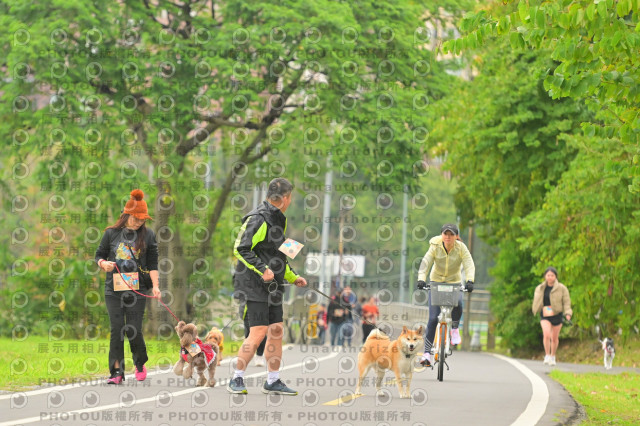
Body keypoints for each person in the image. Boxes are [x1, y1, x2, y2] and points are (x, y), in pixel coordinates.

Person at [227, 178, 307, 395]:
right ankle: (236, 378)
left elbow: (278, 255)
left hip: (274, 285)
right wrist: (262, 269)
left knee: (276, 330)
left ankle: (273, 380)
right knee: (258, 331)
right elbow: (240, 248)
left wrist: (293, 277)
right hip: (254, 284)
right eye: (291, 197)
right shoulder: (258, 218)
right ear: (286, 198)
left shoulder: (279, 219)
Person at [95, 189, 161, 384]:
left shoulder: (148, 235)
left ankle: (139, 362)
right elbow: (99, 255)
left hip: (137, 290)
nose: (138, 222)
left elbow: (153, 264)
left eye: (142, 219)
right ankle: (116, 372)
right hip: (113, 290)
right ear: (126, 214)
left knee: (133, 329)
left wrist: (156, 286)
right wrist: (103, 264)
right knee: (117, 329)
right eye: (135, 218)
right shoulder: (111, 233)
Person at [416, 223, 475, 367]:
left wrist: (470, 280)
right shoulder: (435, 245)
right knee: (432, 318)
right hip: (436, 281)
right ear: (441, 235)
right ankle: (426, 354)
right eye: (445, 234)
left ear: (456, 236)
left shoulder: (461, 248)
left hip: (454, 282)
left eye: (451, 234)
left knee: (458, 303)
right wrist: (421, 279)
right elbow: (425, 263)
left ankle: (454, 329)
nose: (448, 237)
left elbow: (469, 264)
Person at [532, 267, 572, 366]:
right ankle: (547, 355)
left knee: (554, 338)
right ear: (545, 276)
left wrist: (568, 313)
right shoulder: (540, 288)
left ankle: (553, 356)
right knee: (546, 334)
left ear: (556, 277)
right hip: (545, 314)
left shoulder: (562, 288)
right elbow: (536, 300)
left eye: (552, 275)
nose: (550, 277)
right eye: (548, 275)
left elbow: (566, 302)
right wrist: (536, 309)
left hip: (557, 314)